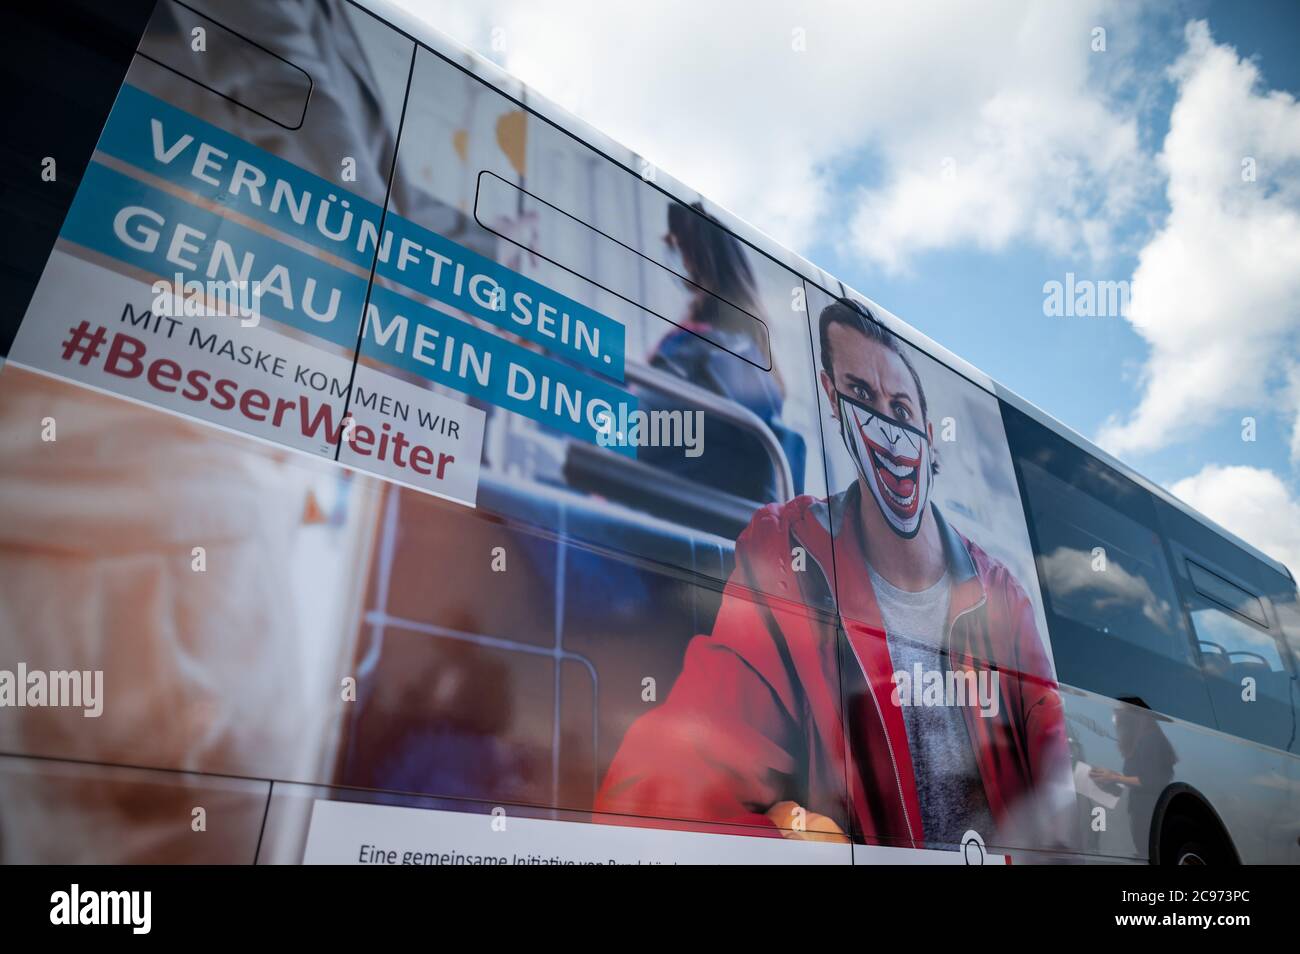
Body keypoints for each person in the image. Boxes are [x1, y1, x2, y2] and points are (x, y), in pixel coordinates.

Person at [596, 297, 1070, 850]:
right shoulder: (786, 556)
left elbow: (1057, 755)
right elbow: (676, 770)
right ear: (833, 401)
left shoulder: (1002, 596)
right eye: (862, 397)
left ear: (928, 432)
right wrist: (779, 837)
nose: (888, 430)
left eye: (900, 407)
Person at [642, 202, 804, 502]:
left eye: (678, 249)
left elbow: (638, 427)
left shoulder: (698, 351)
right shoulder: (757, 362)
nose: (675, 262)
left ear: (697, 261)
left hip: (667, 510)